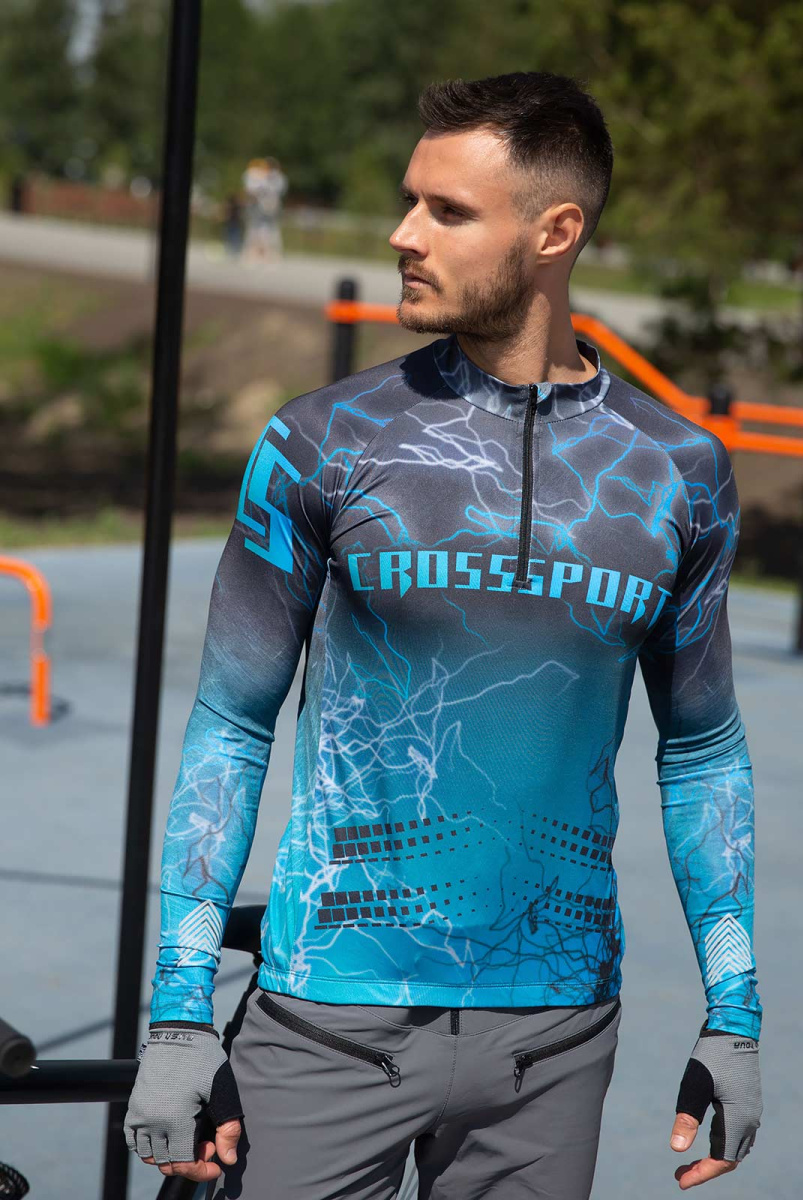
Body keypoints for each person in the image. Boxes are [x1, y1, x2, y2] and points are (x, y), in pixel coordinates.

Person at [125, 72, 762, 1197]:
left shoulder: (679, 471)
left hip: (556, 1037)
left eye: (447, 211)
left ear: (555, 233)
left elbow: (703, 749)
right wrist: (179, 1016)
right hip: (327, 1017)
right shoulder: (323, 440)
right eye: (409, 201)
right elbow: (232, 723)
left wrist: (737, 1014)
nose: (403, 234)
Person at [241, 156, 287, 261]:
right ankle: (256, 251)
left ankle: (269, 252)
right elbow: (251, 189)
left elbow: (257, 190)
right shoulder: (256, 175)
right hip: (259, 206)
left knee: (268, 229)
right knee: (257, 229)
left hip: (269, 206)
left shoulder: (276, 177)